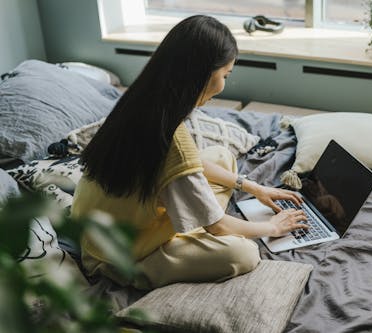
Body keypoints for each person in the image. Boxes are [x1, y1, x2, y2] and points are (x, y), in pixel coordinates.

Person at [71, 15, 308, 290]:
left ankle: (196, 210)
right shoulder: (173, 137)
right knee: (243, 253)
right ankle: (175, 235)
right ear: (202, 74)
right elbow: (217, 227)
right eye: (224, 76)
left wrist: (252, 186)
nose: (223, 87)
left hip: (96, 227)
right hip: (118, 254)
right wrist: (273, 228)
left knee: (221, 156)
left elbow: (180, 163)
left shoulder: (140, 102)